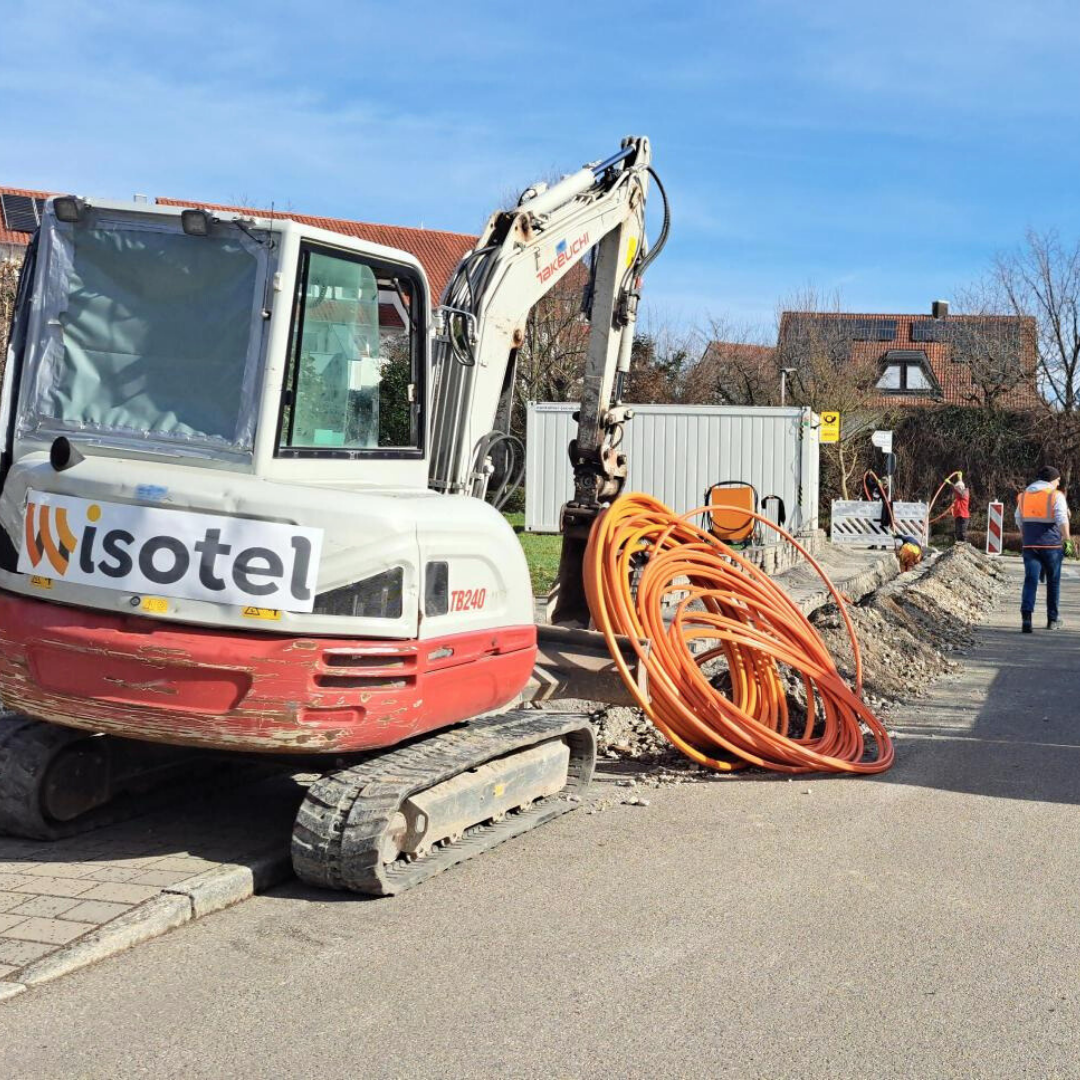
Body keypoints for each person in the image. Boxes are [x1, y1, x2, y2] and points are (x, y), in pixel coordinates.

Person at [1015, 465, 1071, 633]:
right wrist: (1067, 539)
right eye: (1058, 479)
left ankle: (1026, 619)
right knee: (1053, 582)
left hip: (1030, 545)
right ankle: (1052, 620)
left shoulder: (1024, 496)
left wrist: (1027, 535)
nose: (1059, 482)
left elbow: (1018, 518)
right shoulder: (1055, 495)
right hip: (1051, 546)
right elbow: (1061, 518)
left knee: (1030, 580)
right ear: (1052, 480)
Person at [950, 477, 971, 543]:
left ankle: (965, 546)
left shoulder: (965, 493)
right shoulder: (957, 498)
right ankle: (959, 547)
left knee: (963, 532)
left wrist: (951, 484)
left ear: (961, 487)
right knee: (958, 533)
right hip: (958, 516)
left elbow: (959, 491)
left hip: (964, 517)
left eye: (958, 488)